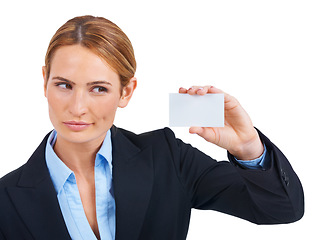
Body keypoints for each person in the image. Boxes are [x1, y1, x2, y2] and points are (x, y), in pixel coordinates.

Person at [0, 15, 304, 240]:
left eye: (98, 89)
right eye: (64, 85)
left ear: (126, 92)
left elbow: (281, 210)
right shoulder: (6, 199)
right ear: (44, 81)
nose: (78, 107)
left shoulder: (167, 158)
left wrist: (249, 148)